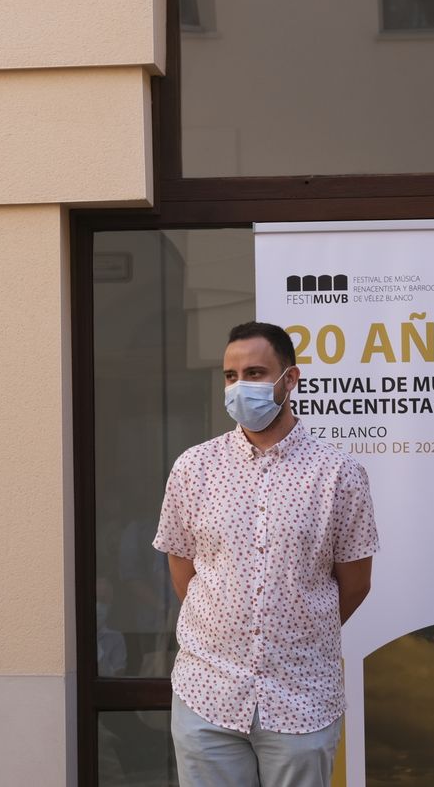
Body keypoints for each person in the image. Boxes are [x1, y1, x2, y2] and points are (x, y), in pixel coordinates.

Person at [153, 322, 377, 787]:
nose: (240, 387)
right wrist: (226, 629)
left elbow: (356, 583)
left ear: (289, 379)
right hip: (207, 694)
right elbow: (183, 569)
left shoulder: (338, 473)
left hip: (302, 697)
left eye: (254, 373)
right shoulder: (194, 468)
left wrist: (295, 633)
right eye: (230, 376)